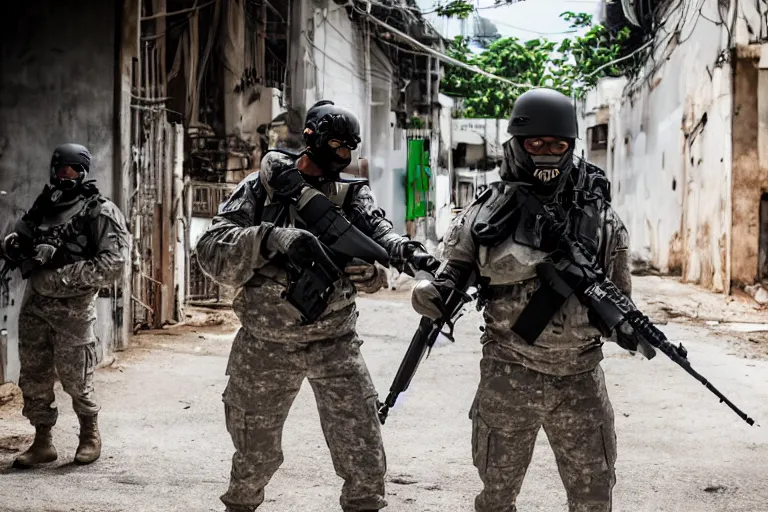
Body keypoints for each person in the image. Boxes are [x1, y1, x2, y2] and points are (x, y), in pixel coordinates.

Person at [196, 100, 437, 512]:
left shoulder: (350, 196)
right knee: (253, 452)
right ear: (312, 138)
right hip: (266, 342)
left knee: (362, 448)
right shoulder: (263, 188)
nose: (343, 156)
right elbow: (210, 250)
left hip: (334, 341)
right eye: (337, 145)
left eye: (350, 147)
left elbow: (380, 237)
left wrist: (380, 272)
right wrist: (269, 238)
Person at [410, 88, 633, 512]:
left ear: (571, 147)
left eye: (558, 144)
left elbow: (620, 297)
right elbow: (448, 275)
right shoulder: (486, 213)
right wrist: (432, 295)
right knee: (496, 496)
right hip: (508, 374)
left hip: (580, 379)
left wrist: (622, 324)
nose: (546, 153)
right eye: (536, 143)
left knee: (593, 497)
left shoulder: (601, 219)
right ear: (517, 145)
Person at [2, 143, 129, 468]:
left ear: (84, 172)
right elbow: (23, 238)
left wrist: (58, 276)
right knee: (34, 377)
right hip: (35, 309)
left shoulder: (101, 211)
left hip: (73, 311)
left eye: (72, 170)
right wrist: (16, 248)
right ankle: (43, 441)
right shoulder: (45, 206)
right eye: (60, 169)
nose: (65, 175)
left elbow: (114, 263)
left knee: (77, 378)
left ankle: (90, 435)